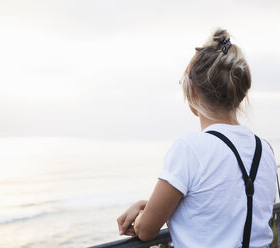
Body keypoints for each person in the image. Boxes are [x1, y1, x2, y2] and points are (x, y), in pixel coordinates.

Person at [117, 28, 277, 248]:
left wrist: (143, 212)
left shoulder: (190, 148)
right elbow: (229, 208)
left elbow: (145, 231)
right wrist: (156, 206)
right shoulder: (265, 150)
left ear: (191, 89)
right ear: (239, 93)